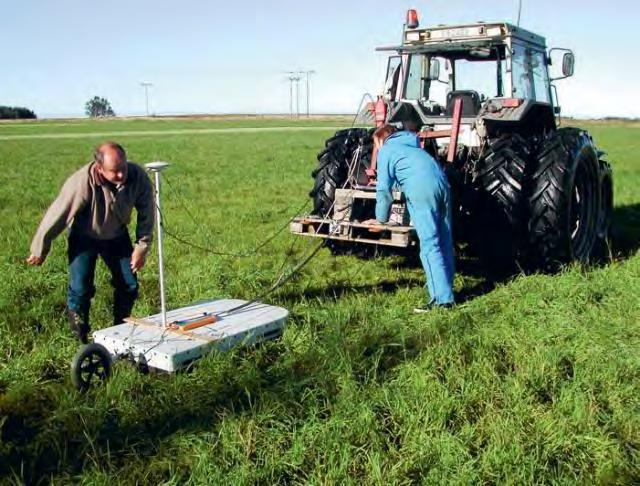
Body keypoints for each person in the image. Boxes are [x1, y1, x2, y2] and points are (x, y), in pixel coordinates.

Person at [27, 142, 154, 342]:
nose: (121, 175)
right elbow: (58, 213)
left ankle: (119, 331)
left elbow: (147, 213)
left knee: (129, 283)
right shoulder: (81, 182)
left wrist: (141, 247)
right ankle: (80, 333)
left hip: (116, 236)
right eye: (115, 171)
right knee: (81, 287)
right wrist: (40, 248)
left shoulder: (137, 177)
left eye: (123, 168)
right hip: (84, 237)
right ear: (99, 168)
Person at [364, 124, 455, 312]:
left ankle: (441, 301)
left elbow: (383, 190)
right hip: (442, 186)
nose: (377, 149)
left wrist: (380, 220)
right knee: (444, 240)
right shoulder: (413, 148)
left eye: (376, 144)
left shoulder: (387, 149)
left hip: (422, 190)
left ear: (381, 139)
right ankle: (447, 289)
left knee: (430, 244)